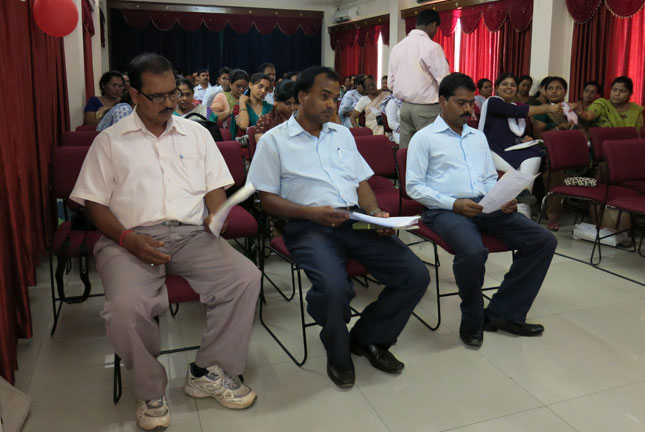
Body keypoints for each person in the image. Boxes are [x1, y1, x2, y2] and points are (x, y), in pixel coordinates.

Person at [69, 53, 260, 431]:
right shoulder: (110, 141)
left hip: (191, 234)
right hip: (128, 237)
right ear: (134, 95)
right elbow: (94, 205)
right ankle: (150, 388)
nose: (169, 103)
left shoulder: (195, 133)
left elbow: (214, 187)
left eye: (173, 93)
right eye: (157, 96)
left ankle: (208, 370)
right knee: (124, 308)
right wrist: (127, 239)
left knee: (245, 277)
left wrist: (216, 216)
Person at [247, 66, 429, 388]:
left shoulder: (342, 134)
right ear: (302, 97)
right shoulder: (274, 141)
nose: (331, 104)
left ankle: (370, 337)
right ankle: (336, 345)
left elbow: (360, 183)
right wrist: (310, 213)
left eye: (335, 97)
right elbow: (267, 201)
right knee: (333, 289)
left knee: (415, 274)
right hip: (308, 227)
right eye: (324, 96)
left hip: (355, 221)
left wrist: (375, 214)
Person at [406, 72, 557, 348]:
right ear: (442, 101)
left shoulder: (477, 137)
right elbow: (414, 187)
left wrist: (502, 197)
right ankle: (472, 318)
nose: (468, 109)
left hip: (485, 204)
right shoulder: (424, 138)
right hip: (445, 209)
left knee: (543, 240)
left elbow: (488, 178)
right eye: (460, 103)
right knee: (473, 251)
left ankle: (504, 313)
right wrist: (453, 204)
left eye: (470, 103)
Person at [478, 73, 563, 219]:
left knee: (535, 154)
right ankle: (523, 205)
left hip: (510, 150)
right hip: (491, 149)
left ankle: (523, 202)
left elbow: (513, 132)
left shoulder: (513, 106)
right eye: (505, 84)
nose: (509, 87)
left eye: (512, 85)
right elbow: (518, 112)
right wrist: (548, 108)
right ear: (496, 88)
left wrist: (523, 139)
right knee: (520, 175)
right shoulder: (493, 102)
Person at [388, 9, 450, 148]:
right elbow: (445, 81)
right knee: (429, 151)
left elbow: (391, 83)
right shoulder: (432, 47)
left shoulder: (397, 47)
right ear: (433, 25)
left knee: (407, 152)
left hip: (405, 107)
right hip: (427, 109)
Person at [578, 76, 644, 128]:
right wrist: (579, 112)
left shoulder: (636, 110)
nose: (617, 94)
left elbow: (638, 133)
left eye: (622, 91)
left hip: (630, 141)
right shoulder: (602, 104)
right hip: (604, 141)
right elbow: (588, 116)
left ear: (630, 94)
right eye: (614, 90)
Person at [232, 72, 273, 137]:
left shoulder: (271, 108)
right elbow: (243, 125)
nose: (263, 91)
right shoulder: (238, 107)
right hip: (246, 142)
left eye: (266, 89)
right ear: (250, 85)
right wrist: (242, 103)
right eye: (260, 86)